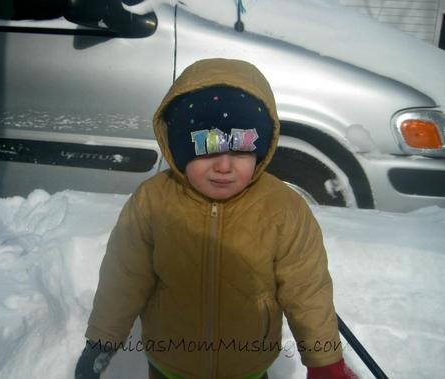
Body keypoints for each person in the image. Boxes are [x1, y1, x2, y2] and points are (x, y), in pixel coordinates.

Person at [75, 58, 357, 379]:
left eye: (239, 150)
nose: (224, 166)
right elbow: (124, 277)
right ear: (180, 149)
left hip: (247, 367)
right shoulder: (153, 201)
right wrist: (102, 340)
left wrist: (324, 360)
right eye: (208, 148)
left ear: (260, 150)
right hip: (170, 366)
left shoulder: (283, 208)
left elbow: (307, 289)